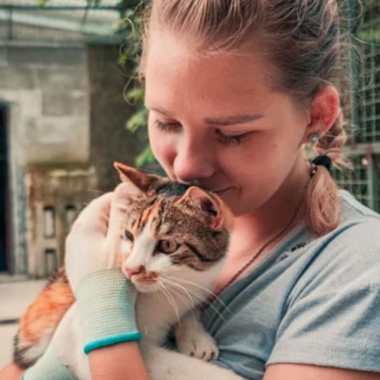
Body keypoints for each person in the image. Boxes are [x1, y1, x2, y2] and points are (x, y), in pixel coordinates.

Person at [2, 0, 380, 379]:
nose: (185, 166)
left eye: (232, 134)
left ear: (316, 116)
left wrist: (103, 309)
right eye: (166, 122)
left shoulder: (358, 271)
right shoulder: (151, 218)